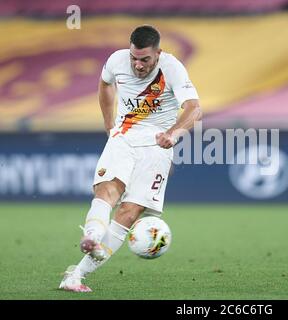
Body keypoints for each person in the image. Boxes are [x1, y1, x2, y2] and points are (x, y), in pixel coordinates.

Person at [59, 25, 202, 292]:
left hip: (157, 147)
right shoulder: (116, 60)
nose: (137, 65)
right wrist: (107, 124)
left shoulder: (172, 69)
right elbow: (104, 84)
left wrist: (174, 133)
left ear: (158, 53)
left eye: (145, 59)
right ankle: (91, 237)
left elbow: (194, 108)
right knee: (107, 190)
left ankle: (75, 276)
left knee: (129, 212)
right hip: (123, 137)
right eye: (134, 58)